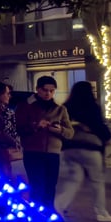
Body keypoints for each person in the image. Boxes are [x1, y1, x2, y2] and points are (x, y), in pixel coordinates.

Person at [56, 80, 111, 222]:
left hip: (70, 148)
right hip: (91, 148)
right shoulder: (92, 107)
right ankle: (101, 212)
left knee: (73, 179)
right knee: (97, 181)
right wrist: (107, 137)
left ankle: (58, 206)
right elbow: (99, 126)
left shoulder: (66, 107)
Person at [15, 75, 73, 206]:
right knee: (37, 186)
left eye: (52, 91)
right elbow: (19, 128)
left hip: (53, 153)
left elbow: (70, 133)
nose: (48, 94)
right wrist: (36, 126)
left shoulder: (60, 109)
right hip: (33, 152)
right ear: (38, 89)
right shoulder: (26, 107)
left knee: (50, 186)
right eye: (45, 90)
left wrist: (59, 130)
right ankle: (37, 218)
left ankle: (48, 217)